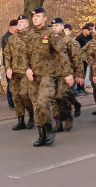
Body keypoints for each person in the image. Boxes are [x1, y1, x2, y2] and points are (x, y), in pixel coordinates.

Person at [19, 8, 72, 147]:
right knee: (36, 104)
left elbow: (62, 54)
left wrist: (68, 73)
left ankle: (49, 131)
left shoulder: (51, 35)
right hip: (33, 76)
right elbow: (23, 54)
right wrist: (27, 68)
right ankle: (41, 135)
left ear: (44, 18)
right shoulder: (29, 35)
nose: (35, 18)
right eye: (33, 17)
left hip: (48, 75)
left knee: (43, 102)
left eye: (38, 16)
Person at [4, 15, 35, 131]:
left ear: (27, 24)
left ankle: (31, 114)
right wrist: (8, 68)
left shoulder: (32, 37)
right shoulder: (12, 38)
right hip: (15, 72)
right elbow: (7, 54)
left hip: (26, 72)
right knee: (16, 96)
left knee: (24, 94)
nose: (20, 24)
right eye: (18, 23)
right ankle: (20, 120)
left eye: (22, 22)